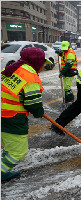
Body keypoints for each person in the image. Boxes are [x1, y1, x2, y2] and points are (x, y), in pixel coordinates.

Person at [1, 47, 52, 181]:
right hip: (11, 118)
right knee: (17, 152)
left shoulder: (12, 68)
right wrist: (39, 112)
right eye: (42, 63)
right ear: (36, 62)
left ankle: (3, 168)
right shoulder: (31, 77)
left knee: (9, 146)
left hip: (3, 114)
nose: (42, 67)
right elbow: (33, 104)